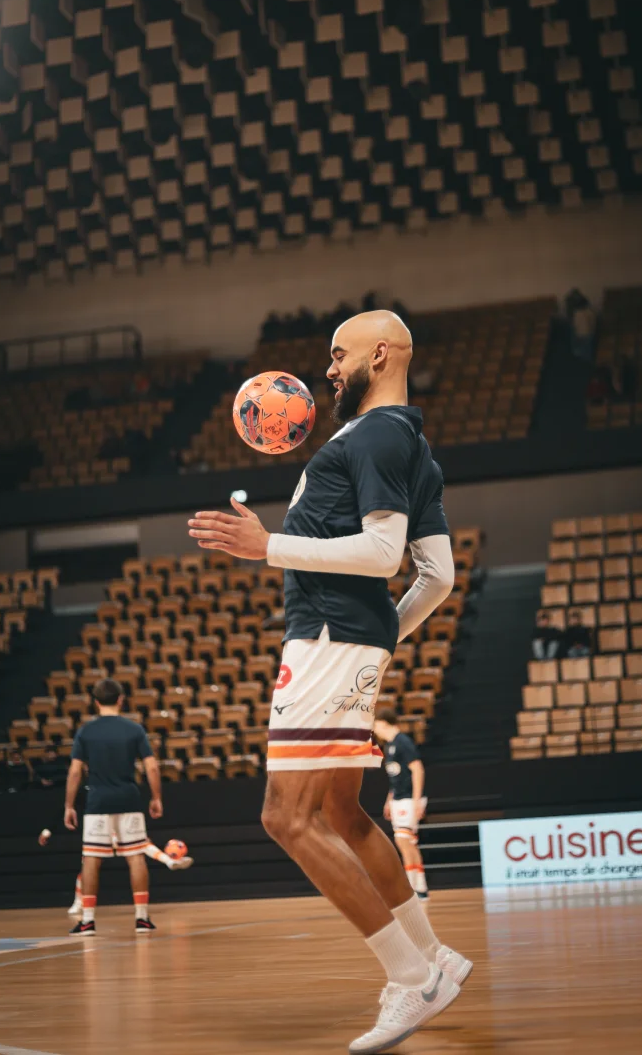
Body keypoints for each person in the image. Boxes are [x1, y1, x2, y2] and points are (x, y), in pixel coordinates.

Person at [188, 309, 472, 1055]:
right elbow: (436, 576)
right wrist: (378, 638)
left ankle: (412, 977)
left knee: (288, 818)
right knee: (345, 816)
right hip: (352, 643)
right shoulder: (414, 445)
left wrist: (266, 546)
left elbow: (385, 555)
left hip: (323, 641)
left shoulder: (375, 434)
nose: (329, 371)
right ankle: (433, 955)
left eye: (339, 356)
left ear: (380, 355)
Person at [64, 677, 163, 936]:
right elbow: (151, 765)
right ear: (121, 699)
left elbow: (75, 772)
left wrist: (69, 805)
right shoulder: (134, 729)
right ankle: (141, 918)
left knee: (92, 859)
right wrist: (156, 797)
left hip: (97, 801)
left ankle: (87, 921)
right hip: (129, 799)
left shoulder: (85, 731)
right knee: (135, 856)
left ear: (95, 702)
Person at [374, 716, 429, 901]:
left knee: (404, 842)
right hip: (398, 798)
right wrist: (389, 800)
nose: (374, 730)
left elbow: (418, 769)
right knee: (407, 843)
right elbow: (395, 776)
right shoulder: (389, 746)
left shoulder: (403, 741)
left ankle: (414, 887)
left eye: (376, 726)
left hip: (408, 799)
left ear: (385, 723)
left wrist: (416, 800)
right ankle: (419, 886)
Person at [65, 839, 193, 918]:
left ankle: (87, 917)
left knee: (89, 862)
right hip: (104, 822)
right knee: (88, 865)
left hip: (107, 822)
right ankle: (78, 902)